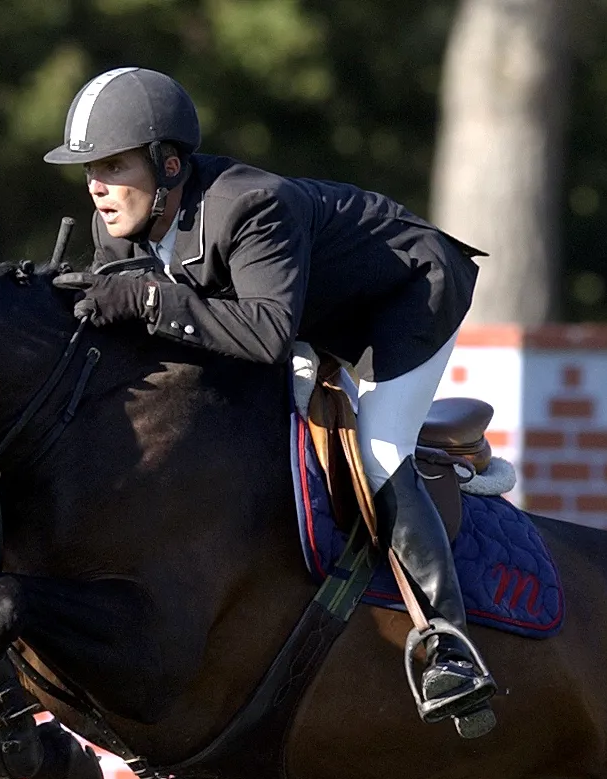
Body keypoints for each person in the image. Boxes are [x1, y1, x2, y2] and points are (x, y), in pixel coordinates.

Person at [44, 67, 496, 735]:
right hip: (312, 313)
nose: (97, 186)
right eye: (89, 170)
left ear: (169, 164)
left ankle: (449, 646)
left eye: (112, 166)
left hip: (406, 296)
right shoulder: (116, 223)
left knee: (376, 449)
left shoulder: (252, 205)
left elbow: (262, 334)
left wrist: (144, 298)